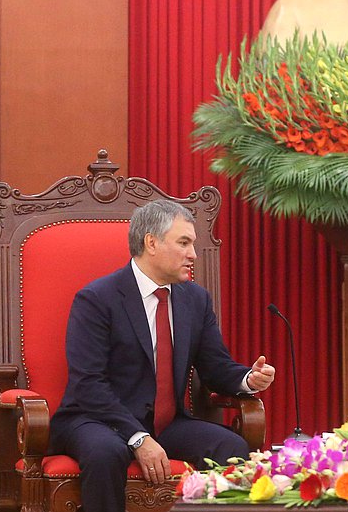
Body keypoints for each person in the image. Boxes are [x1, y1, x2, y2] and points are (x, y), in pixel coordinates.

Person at [48, 200, 276, 512]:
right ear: (151, 243)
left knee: (232, 447)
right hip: (95, 419)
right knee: (106, 452)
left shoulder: (195, 299)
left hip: (166, 423)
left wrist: (247, 378)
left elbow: (215, 366)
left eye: (192, 244)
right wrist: (138, 438)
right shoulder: (97, 299)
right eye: (184, 243)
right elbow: (89, 384)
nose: (193, 254)